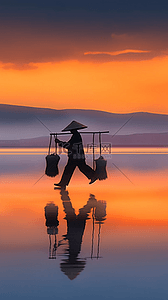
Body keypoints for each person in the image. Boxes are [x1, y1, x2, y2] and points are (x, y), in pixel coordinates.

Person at [54, 121, 97, 189]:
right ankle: (93, 176)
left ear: (73, 130)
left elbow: (69, 145)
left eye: (71, 130)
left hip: (76, 156)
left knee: (72, 169)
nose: (70, 131)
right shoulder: (76, 135)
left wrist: (59, 142)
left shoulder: (76, 136)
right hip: (77, 156)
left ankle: (63, 184)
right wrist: (60, 142)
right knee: (79, 167)